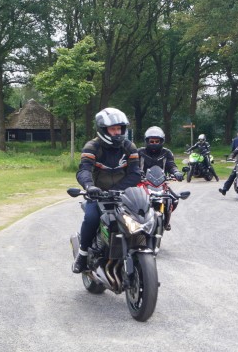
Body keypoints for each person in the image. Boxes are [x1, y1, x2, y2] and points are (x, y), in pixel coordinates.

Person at [72, 108, 141, 274]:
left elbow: (135, 173)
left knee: (140, 216)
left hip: (123, 195)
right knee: (91, 218)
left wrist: (117, 190)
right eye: (113, 129)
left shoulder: (129, 147)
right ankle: (82, 255)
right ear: (103, 130)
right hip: (98, 194)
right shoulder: (92, 147)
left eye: (119, 129)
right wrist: (90, 187)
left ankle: (142, 249)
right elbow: (84, 170)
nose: (117, 132)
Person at [138, 126, 183, 231]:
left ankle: (167, 220)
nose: (154, 143)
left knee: (174, 199)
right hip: (142, 182)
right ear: (147, 141)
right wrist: (137, 172)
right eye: (151, 141)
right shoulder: (140, 152)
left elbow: (171, 165)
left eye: (157, 141)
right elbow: (134, 165)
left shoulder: (166, 153)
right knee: (135, 200)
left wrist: (176, 172)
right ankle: (136, 220)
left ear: (161, 141)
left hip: (161, 183)